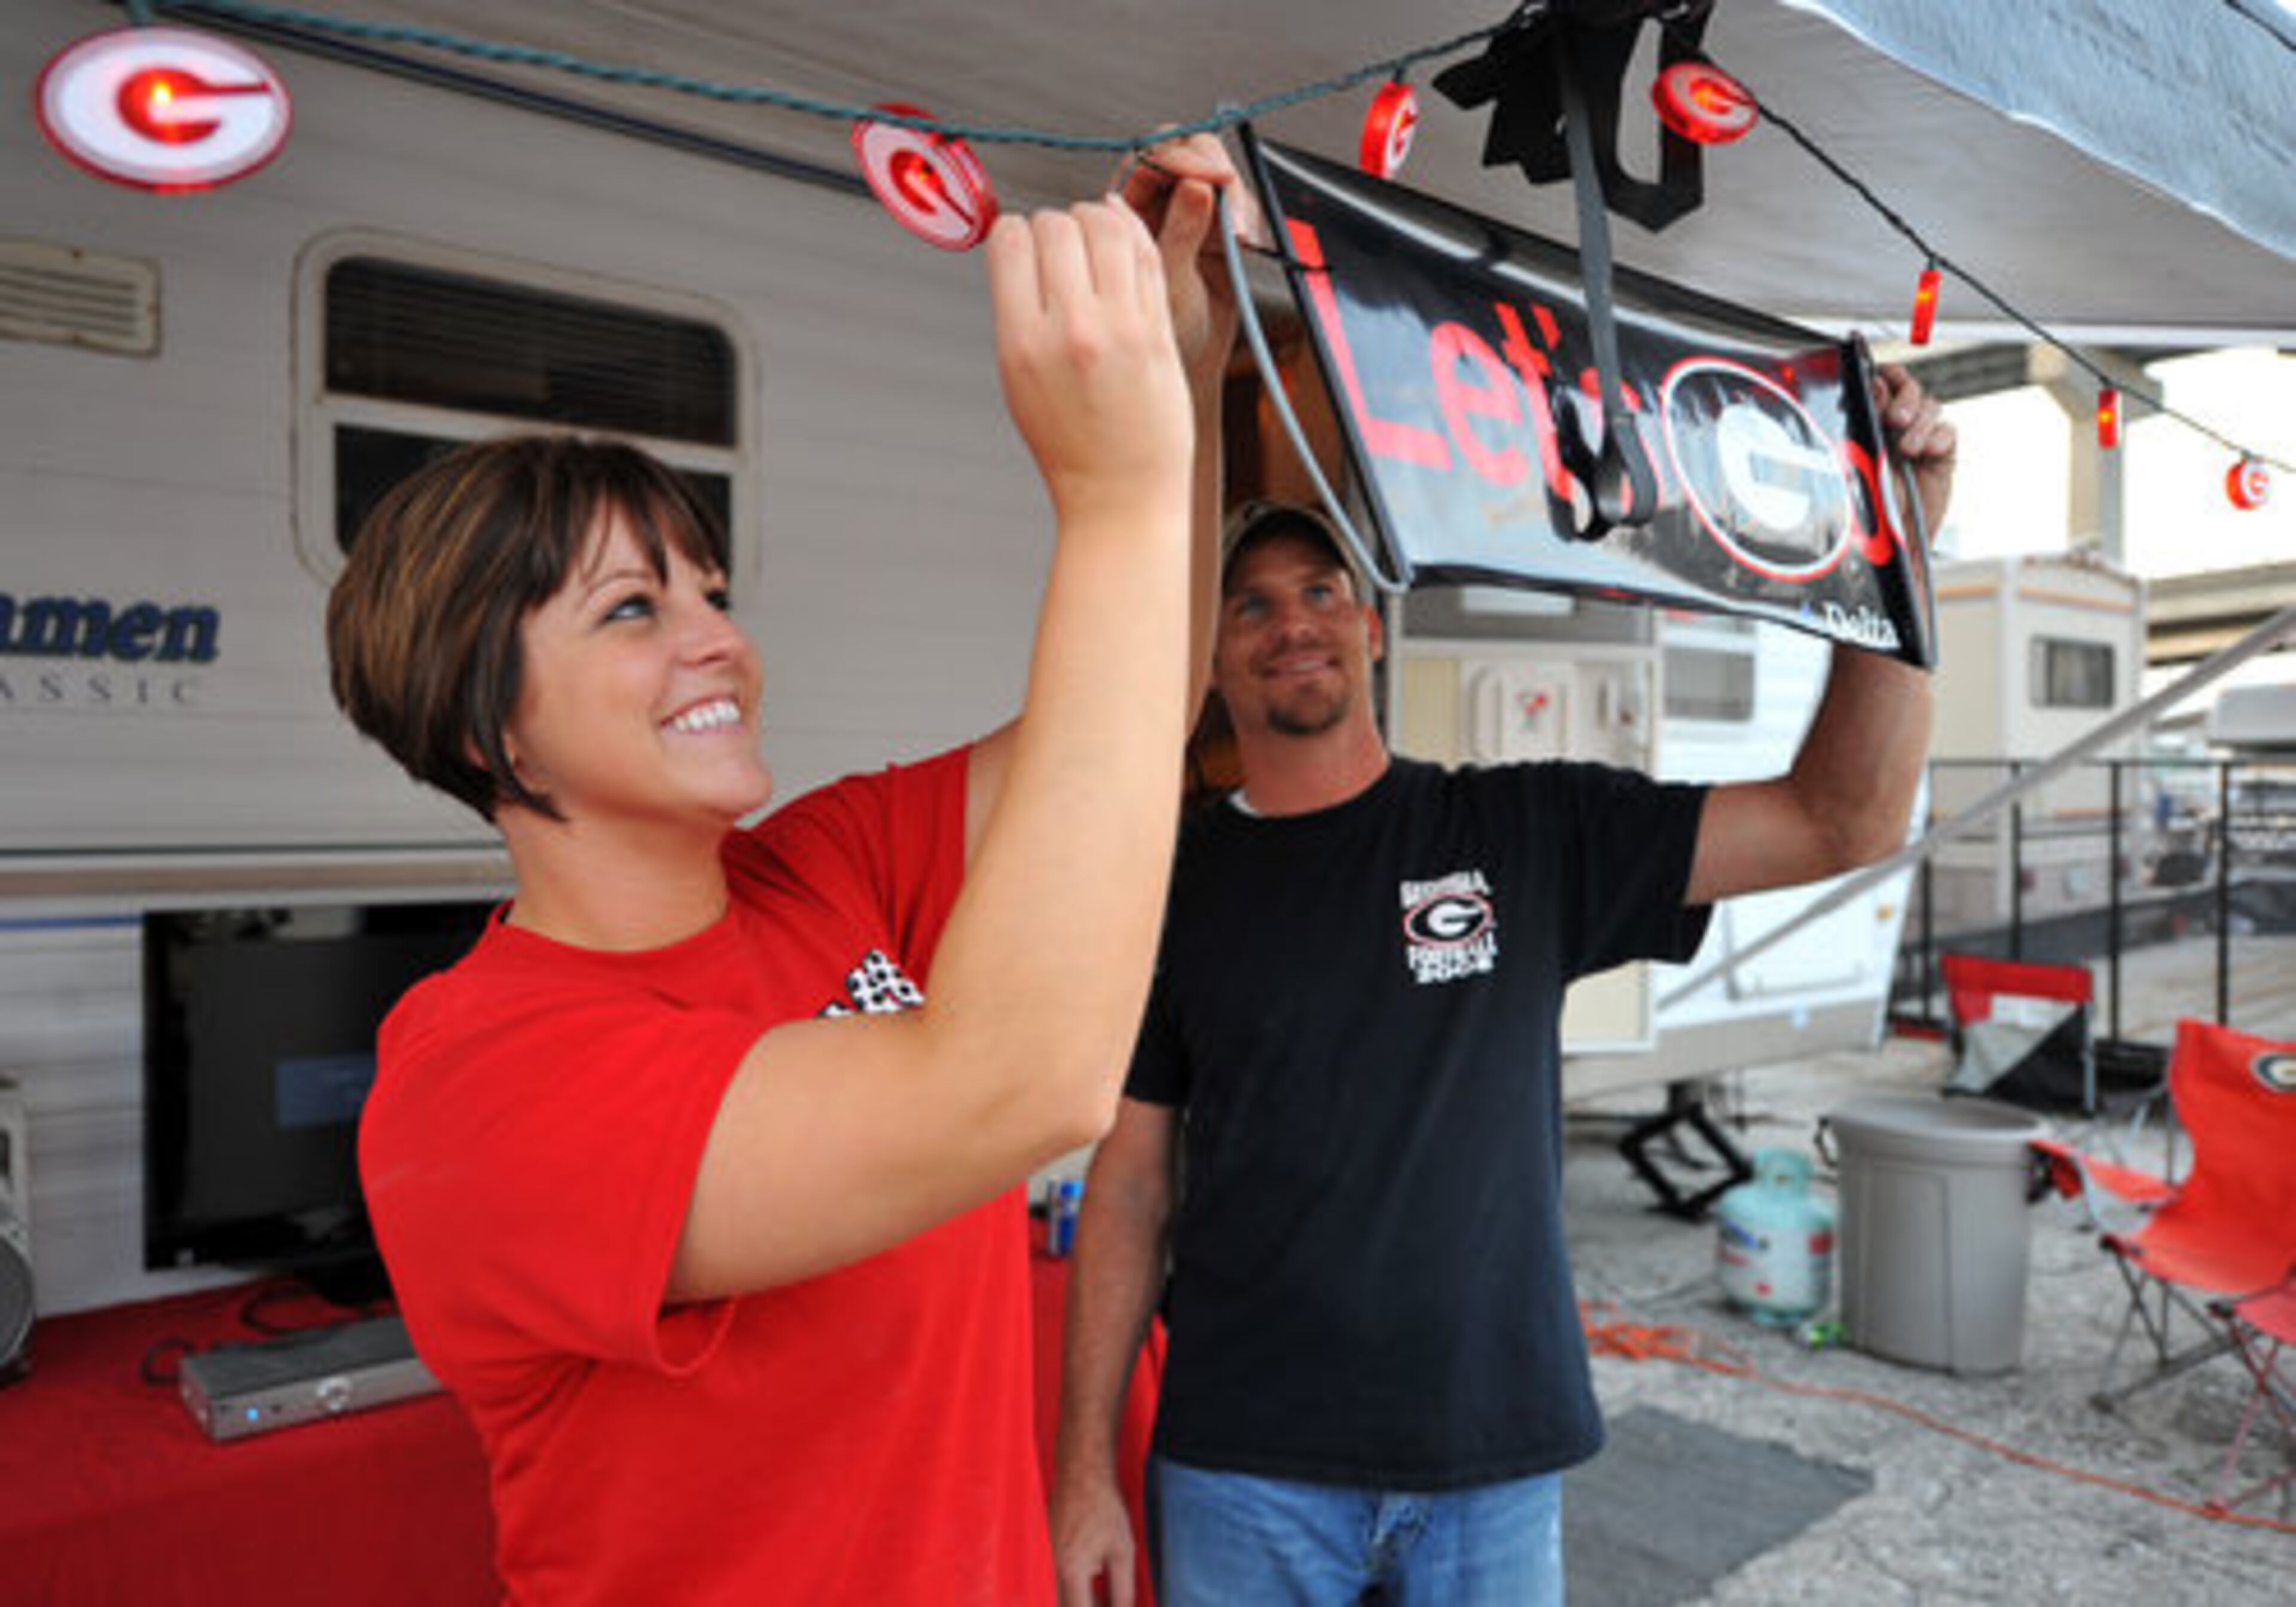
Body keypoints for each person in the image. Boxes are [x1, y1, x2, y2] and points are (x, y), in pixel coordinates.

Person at [323, 136, 1246, 1605]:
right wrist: (1111, 497)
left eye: (713, 591)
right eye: (633, 609)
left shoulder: (822, 870)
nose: (718, 640)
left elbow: (1144, 712)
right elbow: (1016, 1088)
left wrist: (1182, 390)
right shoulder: (477, 1085)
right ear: (484, 722)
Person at [1050, 367, 1956, 1606]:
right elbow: (1132, 1183)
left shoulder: (1526, 828)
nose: (1291, 622)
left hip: (1491, 1462)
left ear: (1375, 625)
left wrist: (1901, 549)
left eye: (1322, 589)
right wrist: (1082, 1471)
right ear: (1210, 658)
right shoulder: (1171, 879)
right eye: (1250, 606)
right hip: (1242, 1465)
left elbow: (1838, 819)